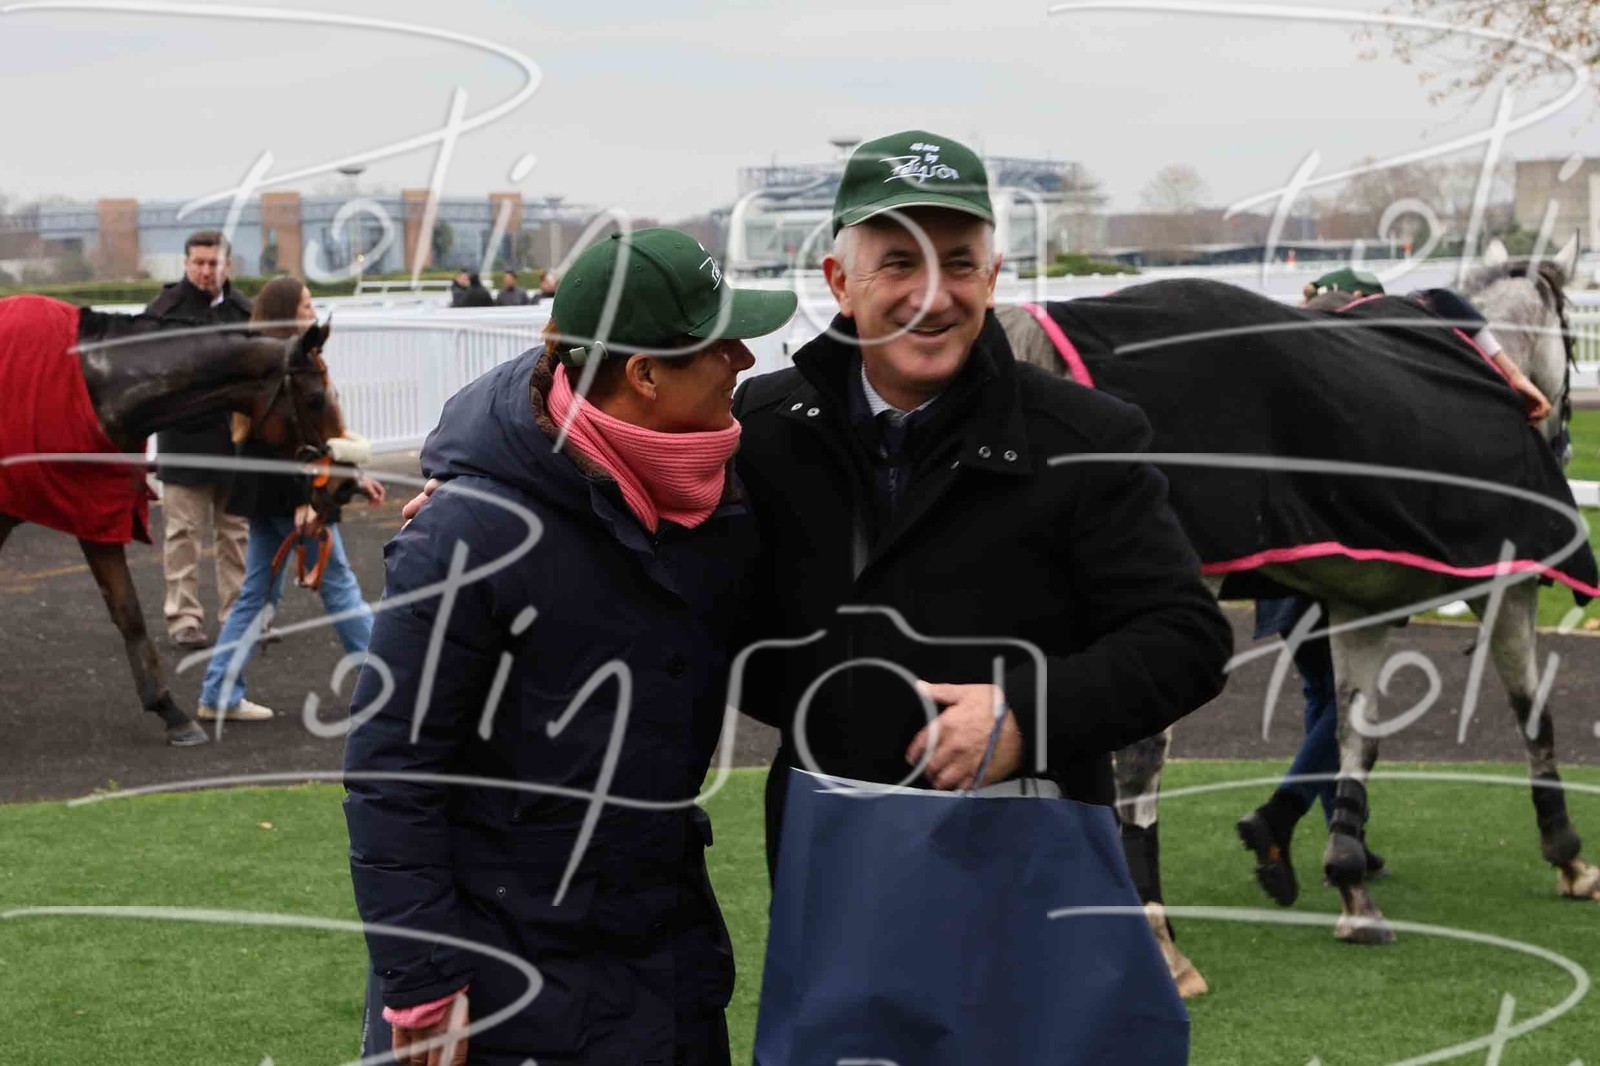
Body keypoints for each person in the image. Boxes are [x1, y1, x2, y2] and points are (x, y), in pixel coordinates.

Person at [345, 228, 797, 1065]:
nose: (743, 357)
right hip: (508, 979)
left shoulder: (716, 495)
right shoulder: (467, 530)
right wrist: (422, 978)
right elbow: (393, 768)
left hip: (666, 960)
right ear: (645, 375)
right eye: (718, 343)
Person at [726, 129, 1234, 872]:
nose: (931, 297)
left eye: (959, 263)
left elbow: (1187, 640)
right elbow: (723, 627)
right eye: (899, 263)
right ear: (839, 282)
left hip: (1033, 862)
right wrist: (846, 722)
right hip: (830, 854)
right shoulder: (764, 428)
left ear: (991, 278)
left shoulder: (1086, 436)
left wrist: (1027, 717)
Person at [194, 277, 383, 722]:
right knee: (339, 587)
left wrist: (352, 477)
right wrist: (304, 500)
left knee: (257, 596)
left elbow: (303, 439)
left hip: (269, 494)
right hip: (293, 495)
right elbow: (289, 442)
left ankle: (219, 693)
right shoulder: (285, 364)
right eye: (304, 305)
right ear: (286, 312)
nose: (312, 311)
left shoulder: (267, 360)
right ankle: (387, 685)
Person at [147, 230, 252, 650]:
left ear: (228, 264)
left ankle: (238, 617)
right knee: (182, 537)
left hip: (234, 445)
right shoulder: (164, 312)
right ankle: (183, 618)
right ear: (186, 264)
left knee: (236, 537)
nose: (207, 271)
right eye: (199, 263)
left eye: (214, 263)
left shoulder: (245, 312)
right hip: (184, 442)